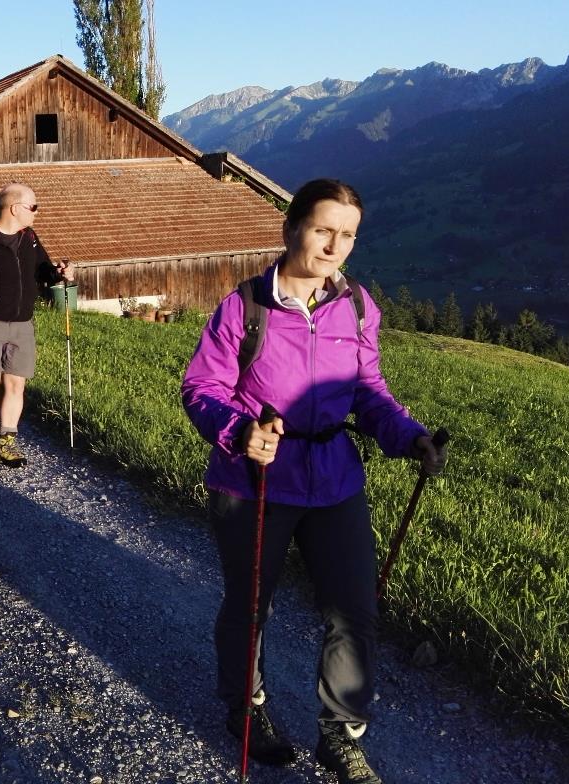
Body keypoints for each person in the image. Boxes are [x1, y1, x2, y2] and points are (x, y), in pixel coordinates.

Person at [181, 179, 447, 784]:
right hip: (254, 482)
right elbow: (201, 388)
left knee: (355, 610)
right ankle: (246, 708)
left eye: (347, 235)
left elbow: (368, 391)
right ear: (290, 229)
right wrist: (239, 431)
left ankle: (340, 734)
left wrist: (411, 437)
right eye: (323, 230)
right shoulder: (244, 307)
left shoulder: (357, 307)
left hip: (334, 479)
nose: (334, 246)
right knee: (251, 606)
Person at [0, 183, 74, 472]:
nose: (36, 212)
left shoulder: (29, 237)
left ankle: (7, 442)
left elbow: (42, 271)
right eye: (34, 207)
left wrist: (59, 273)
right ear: (15, 208)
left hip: (22, 324)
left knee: (16, 385)